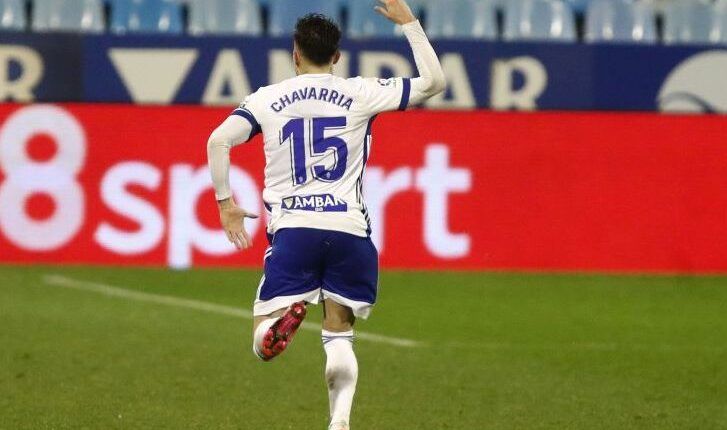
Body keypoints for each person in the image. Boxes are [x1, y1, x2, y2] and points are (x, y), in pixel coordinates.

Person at [206, 1, 445, 428]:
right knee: (339, 335)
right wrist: (410, 23)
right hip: (349, 231)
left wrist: (225, 203)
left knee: (262, 343)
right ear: (337, 57)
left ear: (294, 53)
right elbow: (434, 83)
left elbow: (218, 141)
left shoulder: (266, 99)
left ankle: (278, 328)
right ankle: (340, 423)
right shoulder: (360, 92)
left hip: (295, 231)